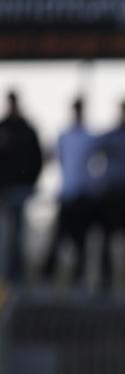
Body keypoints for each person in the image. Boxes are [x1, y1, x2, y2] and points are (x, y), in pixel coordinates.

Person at [43, 96, 96, 285]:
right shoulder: (64, 136)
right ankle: (47, 278)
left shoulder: (89, 137)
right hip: (67, 194)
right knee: (59, 239)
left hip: (82, 195)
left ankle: (78, 279)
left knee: (80, 242)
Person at [95, 98, 125, 288]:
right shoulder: (110, 135)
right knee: (107, 238)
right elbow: (94, 150)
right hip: (112, 193)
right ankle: (105, 281)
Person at [0, 90, 42, 284]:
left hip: (21, 189)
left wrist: (31, 182)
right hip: (4, 190)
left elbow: (37, 158)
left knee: (18, 235)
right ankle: (6, 276)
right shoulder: (4, 128)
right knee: (6, 235)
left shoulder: (26, 130)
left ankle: (16, 277)